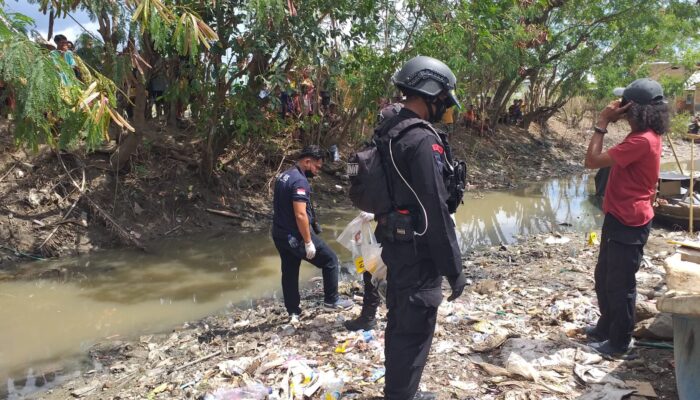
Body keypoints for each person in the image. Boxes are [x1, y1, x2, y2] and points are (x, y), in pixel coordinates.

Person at [374, 56, 467, 400]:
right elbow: (435, 213)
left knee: (399, 324)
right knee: (414, 331)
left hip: (395, 248)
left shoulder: (388, 129)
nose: (444, 104)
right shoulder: (422, 140)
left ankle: (398, 391)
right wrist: (454, 270)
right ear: (430, 92)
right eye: (443, 96)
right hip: (418, 253)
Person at [583, 78, 669, 357]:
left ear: (634, 110)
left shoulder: (642, 141)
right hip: (620, 217)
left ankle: (620, 343)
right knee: (605, 276)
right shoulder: (642, 136)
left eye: (624, 105)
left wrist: (602, 122)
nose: (619, 108)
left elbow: (592, 161)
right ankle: (607, 327)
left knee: (620, 284)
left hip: (629, 221)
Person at [272, 146, 353, 322]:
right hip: (296, 235)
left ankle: (293, 311)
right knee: (330, 260)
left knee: (290, 270)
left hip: (279, 234)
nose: (317, 172)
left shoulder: (283, 176)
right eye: (316, 167)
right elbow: (300, 214)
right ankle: (332, 301)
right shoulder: (300, 182)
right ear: (307, 162)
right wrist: (308, 241)